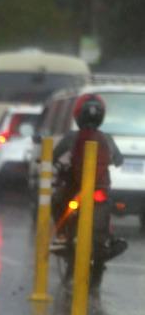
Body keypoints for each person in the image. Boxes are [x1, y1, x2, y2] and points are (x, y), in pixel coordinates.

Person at [52, 93, 127, 259]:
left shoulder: (72, 136)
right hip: (100, 187)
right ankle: (109, 239)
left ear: (78, 115)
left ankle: (62, 237)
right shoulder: (107, 138)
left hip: (75, 187)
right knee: (107, 207)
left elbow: (53, 156)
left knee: (56, 201)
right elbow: (119, 160)